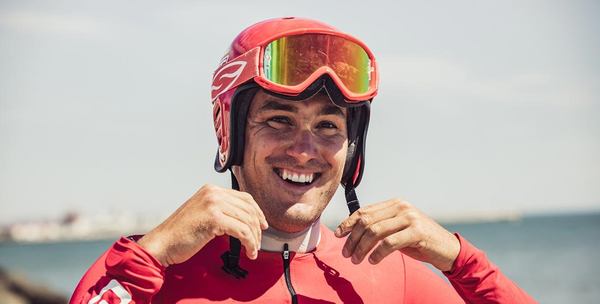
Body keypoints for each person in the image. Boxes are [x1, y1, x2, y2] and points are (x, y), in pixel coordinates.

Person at [70, 17, 536, 304]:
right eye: (278, 119)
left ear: (352, 150)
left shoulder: (390, 278)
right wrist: (153, 252)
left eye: (328, 127)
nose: (304, 149)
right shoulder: (150, 276)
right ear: (229, 132)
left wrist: (459, 260)